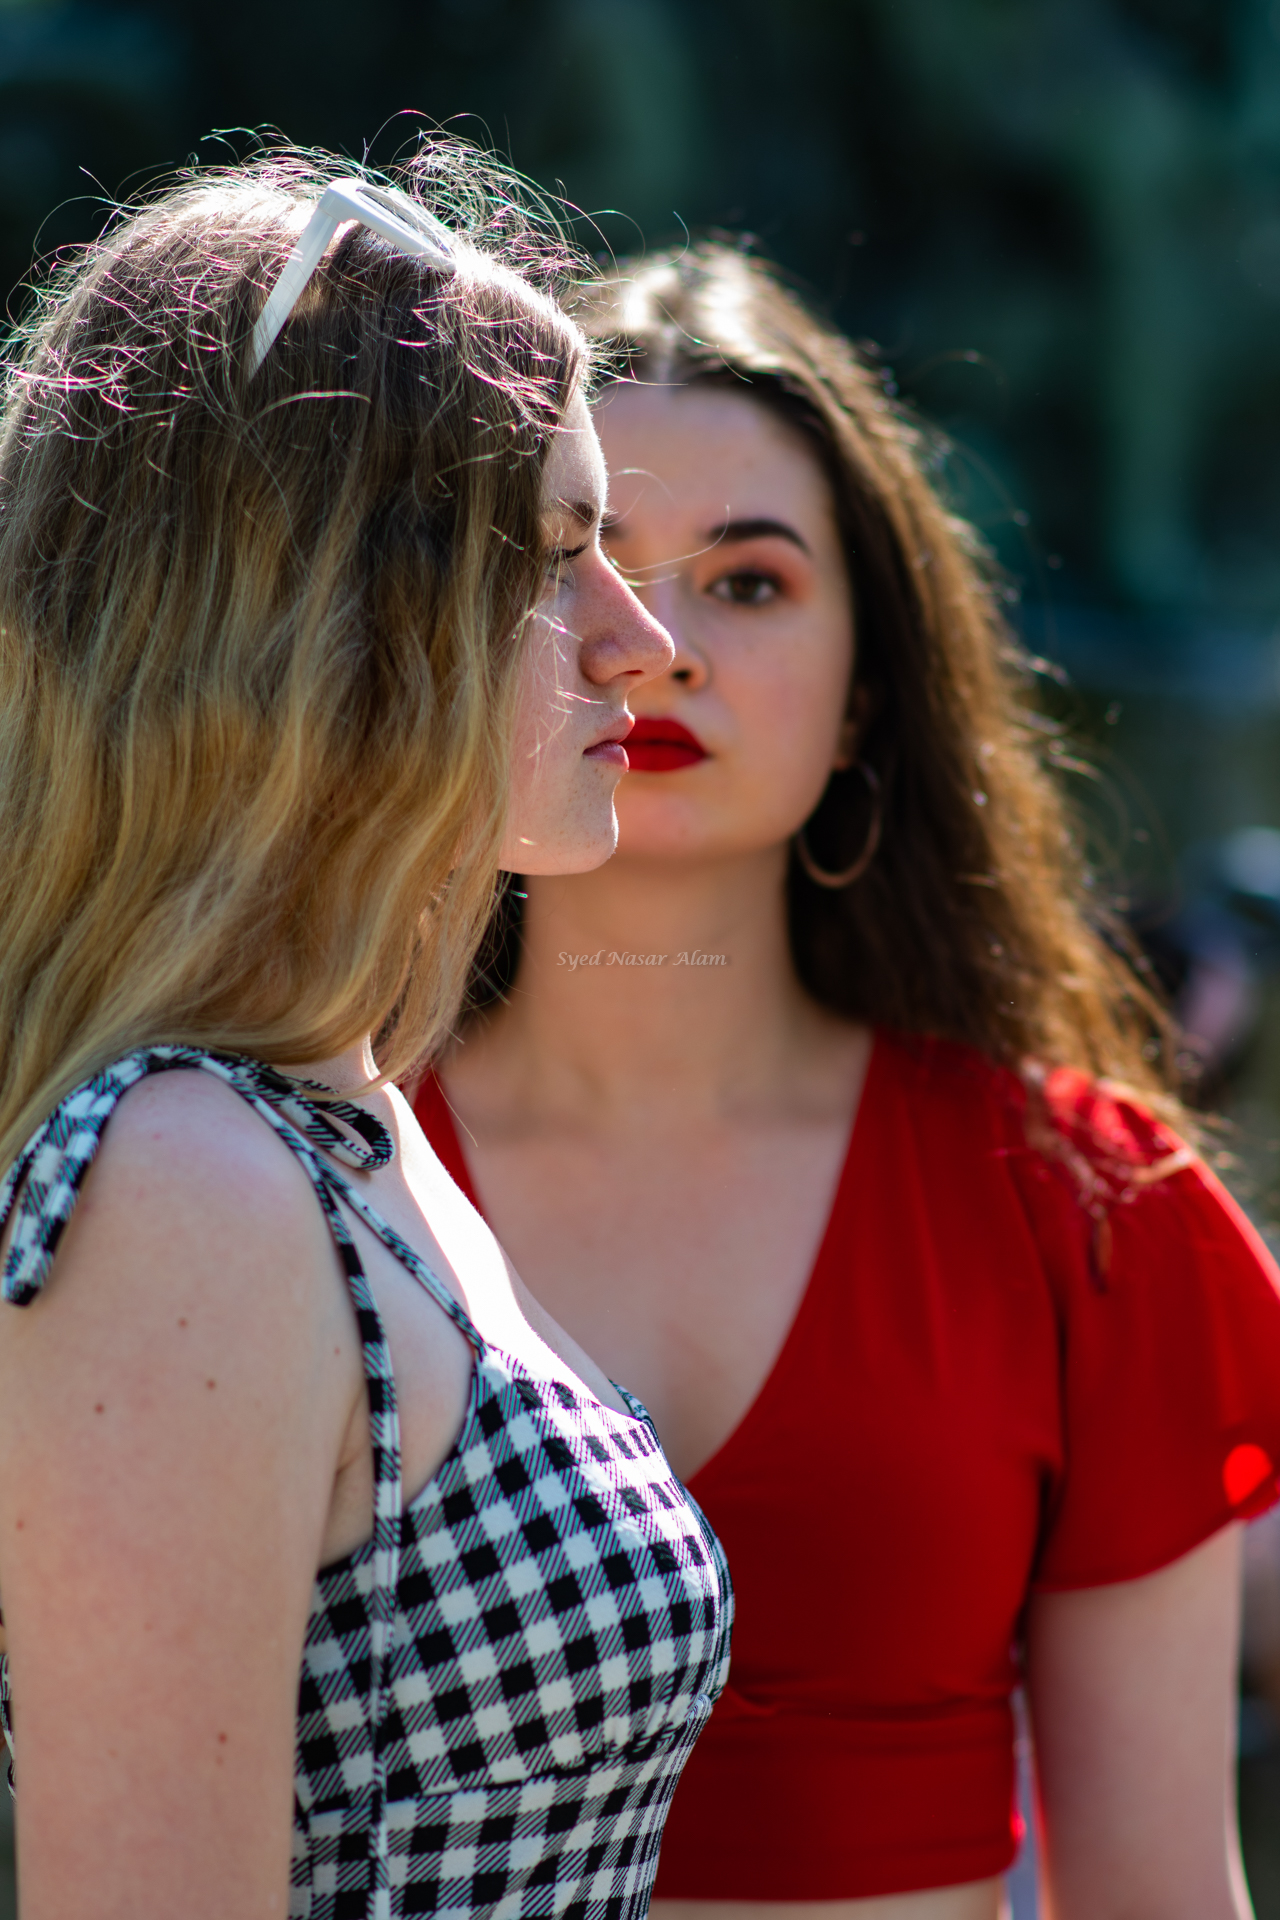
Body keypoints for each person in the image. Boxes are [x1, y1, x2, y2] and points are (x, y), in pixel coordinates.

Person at [414, 242, 1280, 1920]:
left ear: (870, 688)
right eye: (573, 561)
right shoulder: (272, 1168)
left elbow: (1160, 1890)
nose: (652, 644)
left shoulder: (1093, 1213)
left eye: (747, 582)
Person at [0, 154, 734, 1920]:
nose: (642, 645)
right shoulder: (175, 1185)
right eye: (560, 557)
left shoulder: (327, 1119)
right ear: (316, 616)